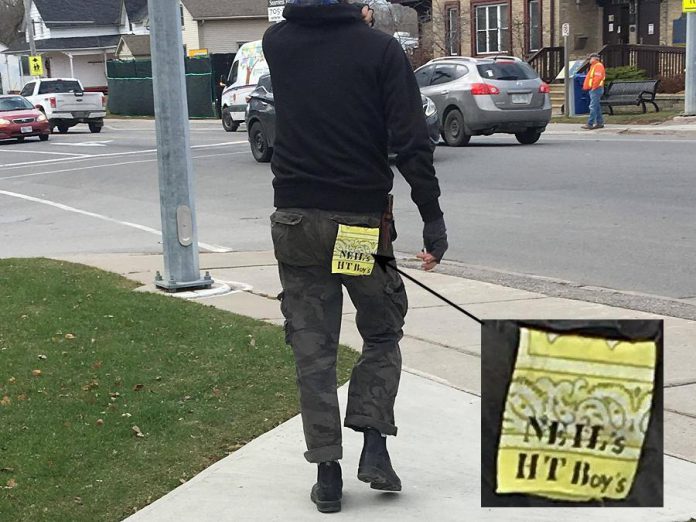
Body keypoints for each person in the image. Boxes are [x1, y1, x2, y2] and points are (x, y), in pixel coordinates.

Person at [263, 0, 448, 513]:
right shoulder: (380, 50)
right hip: (357, 226)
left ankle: (327, 472)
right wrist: (432, 218)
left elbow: (311, 34)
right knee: (382, 329)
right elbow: (411, 139)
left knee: (313, 348)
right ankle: (373, 442)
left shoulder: (276, 43)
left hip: (296, 221)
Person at [582, 53, 606, 130]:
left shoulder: (598, 66)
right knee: (596, 106)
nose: (589, 60)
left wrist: (594, 87)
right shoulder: (594, 66)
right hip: (595, 89)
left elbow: (597, 78)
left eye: (590, 58)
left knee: (592, 106)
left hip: (596, 89)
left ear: (595, 59)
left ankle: (590, 123)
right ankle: (599, 122)